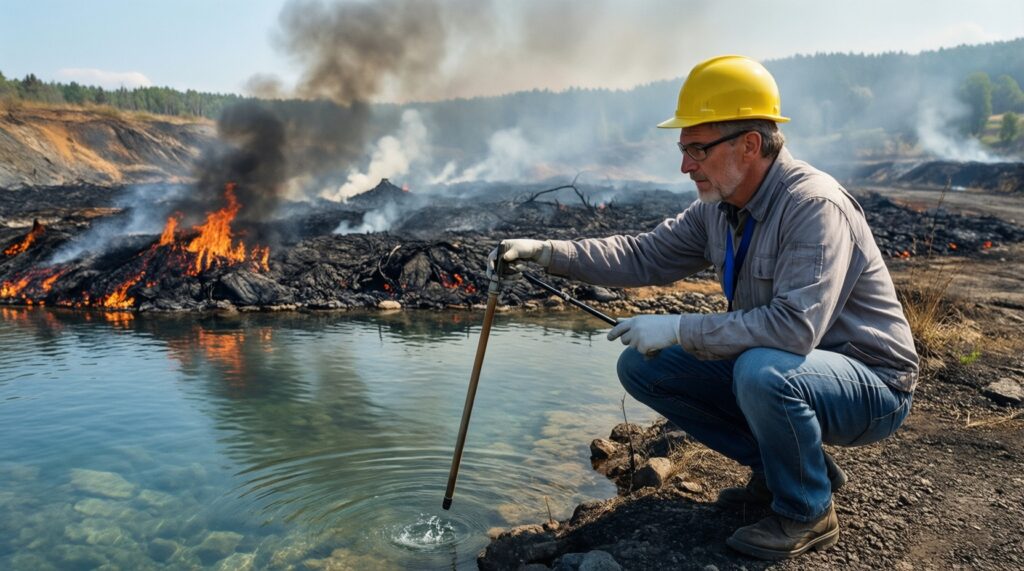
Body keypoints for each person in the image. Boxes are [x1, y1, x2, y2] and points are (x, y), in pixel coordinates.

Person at [490, 55, 919, 560]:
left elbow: (794, 328)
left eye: (698, 149)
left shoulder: (813, 206)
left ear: (750, 144)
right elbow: (642, 255)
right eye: (683, 149)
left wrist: (679, 327)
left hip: (872, 384)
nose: (685, 165)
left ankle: (807, 510)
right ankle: (786, 472)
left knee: (762, 372)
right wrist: (547, 253)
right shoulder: (719, 207)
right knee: (643, 368)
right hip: (793, 367)